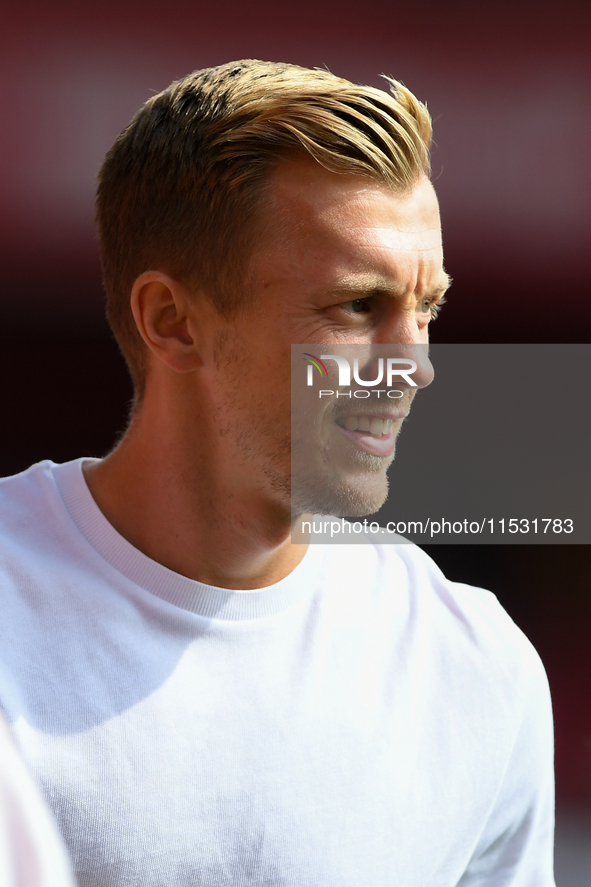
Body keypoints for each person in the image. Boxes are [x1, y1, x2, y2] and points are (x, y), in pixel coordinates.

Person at [0, 60, 555, 885]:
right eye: (358, 306)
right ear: (172, 321)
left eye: (426, 307)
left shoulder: (474, 666)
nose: (415, 364)